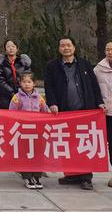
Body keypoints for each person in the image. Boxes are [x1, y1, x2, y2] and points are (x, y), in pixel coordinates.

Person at [45, 36, 105, 190]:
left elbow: (93, 85)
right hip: (65, 112)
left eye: (69, 45)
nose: (66, 48)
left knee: (84, 143)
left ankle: (86, 177)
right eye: (63, 45)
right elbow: (49, 87)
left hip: (84, 111)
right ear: (59, 49)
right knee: (67, 143)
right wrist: (52, 103)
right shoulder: (52, 66)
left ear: (74, 48)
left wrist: (99, 102)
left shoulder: (84, 64)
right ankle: (71, 174)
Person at [9, 71, 49, 189]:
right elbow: (11, 113)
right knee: (25, 153)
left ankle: (37, 176)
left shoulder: (40, 98)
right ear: (20, 83)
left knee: (37, 153)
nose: (27, 84)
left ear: (34, 83)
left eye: (29, 82)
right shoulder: (16, 98)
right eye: (24, 82)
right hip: (23, 131)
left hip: (37, 131)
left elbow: (45, 111)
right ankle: (27, 176)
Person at [94, 41, 112, 188]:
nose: (110, 52)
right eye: (108, 49)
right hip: (107, 112)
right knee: (110, 144)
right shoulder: (98, 69)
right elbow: (94, 90)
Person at [0, 39, 31, 109]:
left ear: (17, 49)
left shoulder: (23, 63)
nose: (11, 48)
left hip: (22, 95)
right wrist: (12, 93)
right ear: (5, 49)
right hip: (5, 98)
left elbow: (28, 78)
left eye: (13, 46)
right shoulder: (0, 63)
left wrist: (20, 92)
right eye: (8, 46)